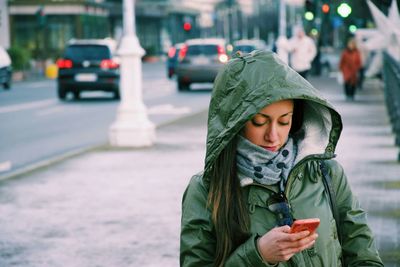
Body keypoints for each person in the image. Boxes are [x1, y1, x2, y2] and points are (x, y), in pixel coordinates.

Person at [180, 50, 383, 267]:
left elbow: (364, 255)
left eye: (284, 121)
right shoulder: (205, 189)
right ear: (234, 123)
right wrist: (257, 255)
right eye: (259, 122)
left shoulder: (326, 172)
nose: (273, 136)